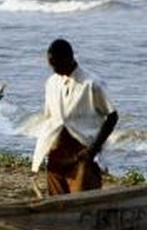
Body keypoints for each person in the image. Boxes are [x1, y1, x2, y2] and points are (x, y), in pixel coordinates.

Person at [32, 39, 118, 196]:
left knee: (83, 201)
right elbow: (50, 119)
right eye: (51, 64)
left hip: (82, 153)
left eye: (56, 64)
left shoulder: (91, 84)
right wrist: (44, 150)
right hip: (57, 152)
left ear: (68, 58)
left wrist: (92, 150)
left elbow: (112, 116)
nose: (53, 69)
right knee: (56, 203)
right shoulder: (51, 83)